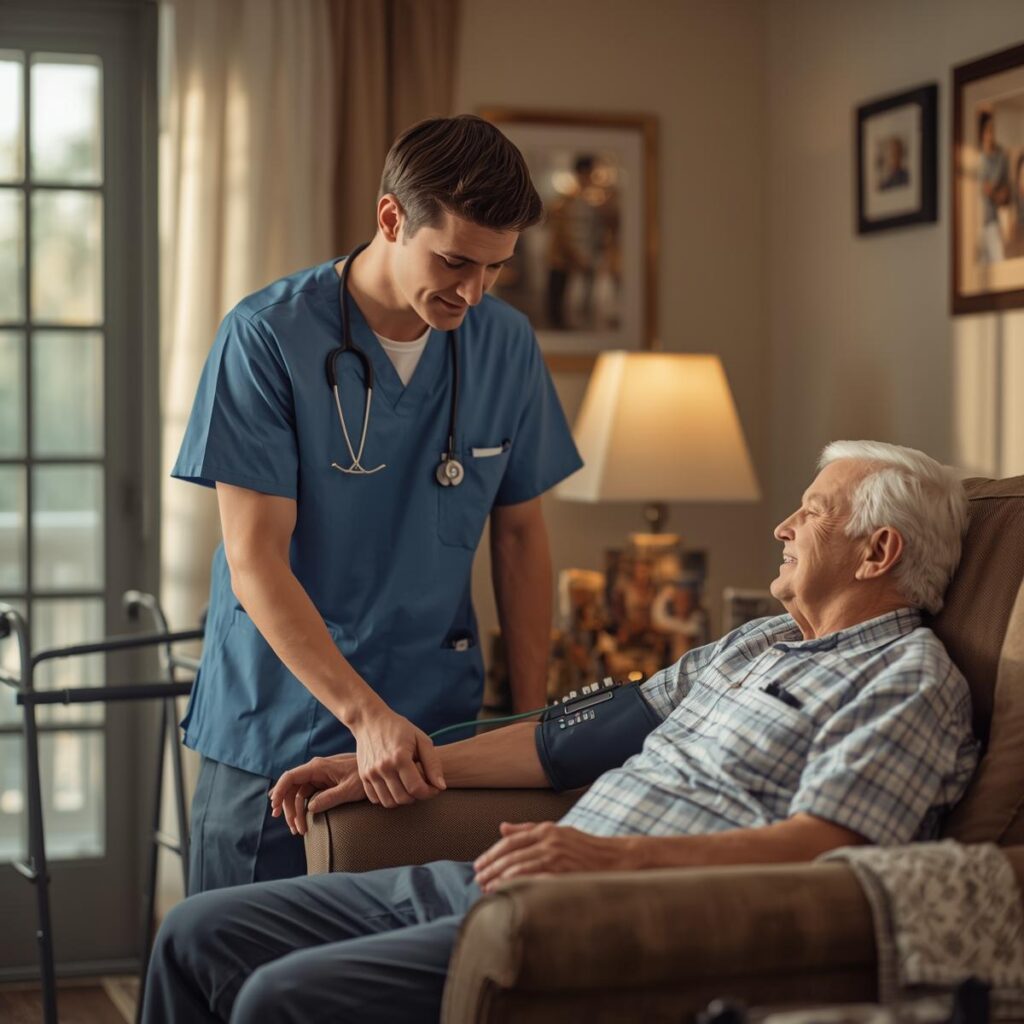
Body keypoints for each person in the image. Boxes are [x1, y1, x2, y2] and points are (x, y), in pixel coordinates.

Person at [144, 440, 980, 1024]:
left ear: (878, 552)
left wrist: (609, 860)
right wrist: (395, 760)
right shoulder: (759, 640)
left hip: (597, 918)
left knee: (278, 1002)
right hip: (506, 878)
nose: (782, 527)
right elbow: (574, 738)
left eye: (811, 512)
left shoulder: (909, 684)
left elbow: (825, 846)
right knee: (194, 932)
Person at [171, 115, 583, 892]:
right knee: (240, 983)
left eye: (496, 268)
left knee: (395, 985)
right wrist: (365, 717)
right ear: (392, 218)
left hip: (435, 734)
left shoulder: (505, 343)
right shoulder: (266, 338)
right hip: (279, 726)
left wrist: (530, 724)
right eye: (456, 261)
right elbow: (254, 556)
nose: (474, 291)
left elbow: (522, 538)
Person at [978, 109, 1010, 264]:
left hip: (992, 220)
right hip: (976, 221)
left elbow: (1004, 193)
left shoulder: (1000, 157)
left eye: (993, 131)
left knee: (998, 262)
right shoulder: (976, 158)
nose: (991, 136)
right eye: (987, 131)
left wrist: (996, 193)